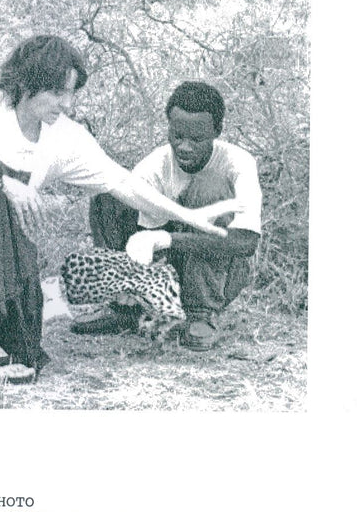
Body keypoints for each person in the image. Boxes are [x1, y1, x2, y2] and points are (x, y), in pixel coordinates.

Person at [0, 39, 240, 380]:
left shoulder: (64, 136)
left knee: (25, 342)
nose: (68, 105)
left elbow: (123, 184)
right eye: (60, 93)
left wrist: (188, 215)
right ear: (29, 83)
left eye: (72, 94)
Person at [71, 81, 261, 350]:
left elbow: (246, 244)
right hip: (168, 269)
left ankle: (201, 314)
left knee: (210, 185)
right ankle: (125, 308)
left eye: (196, 139)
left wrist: (169, 238)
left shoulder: (237, 163)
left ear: (216, 131)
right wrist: (133, 276)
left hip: (220, 274)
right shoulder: (155, 166)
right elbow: (143, 240)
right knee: (109, 195)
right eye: (177, 136)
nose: (184, 147)